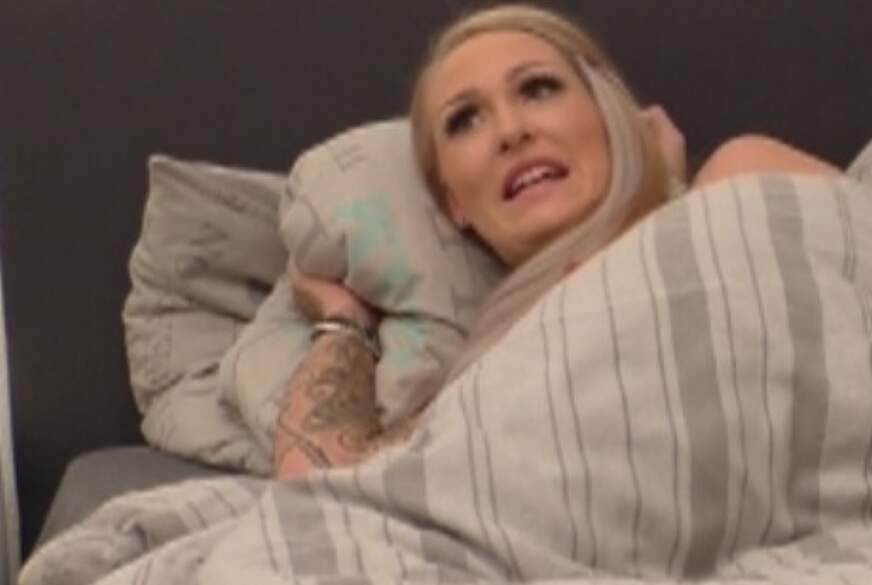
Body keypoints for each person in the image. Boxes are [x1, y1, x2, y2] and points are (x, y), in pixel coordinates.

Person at [273, 3, 840, 480]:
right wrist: (345, 323)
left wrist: (652, 198)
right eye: (465, 120)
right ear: (455, 206)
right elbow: (323, 492)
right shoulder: (498, 366)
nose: (511, 131)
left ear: (609, 115)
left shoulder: (741, 183)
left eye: (538, 88)